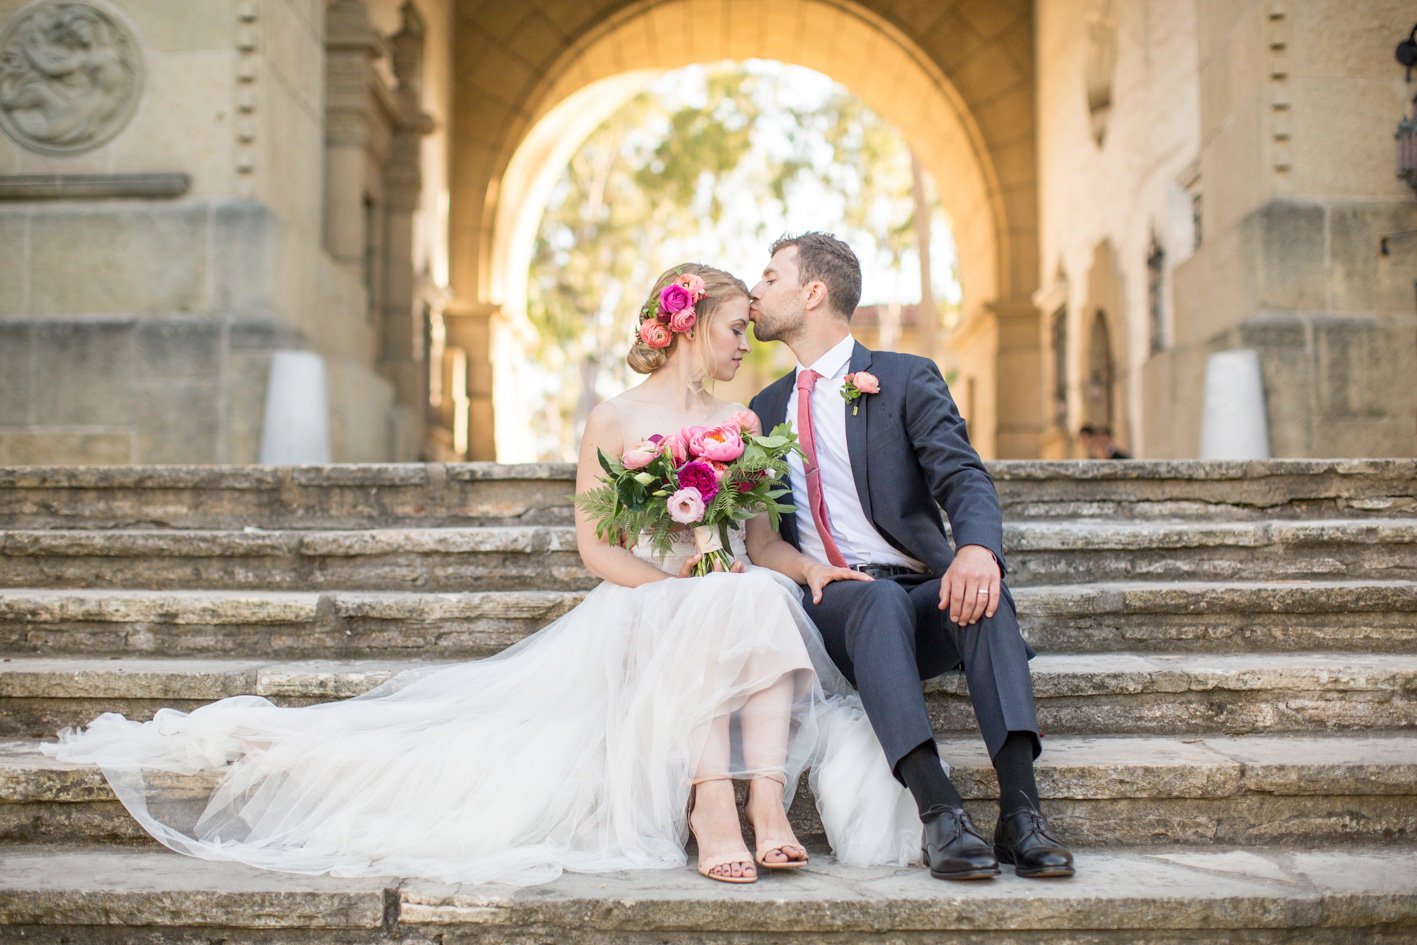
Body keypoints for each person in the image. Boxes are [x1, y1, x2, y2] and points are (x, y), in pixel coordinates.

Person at [42, 263, 915, 888]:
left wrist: (813, 568)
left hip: (727, 591)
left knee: (754, 595)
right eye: (733, 329)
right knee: (716, 606)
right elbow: (597, 551)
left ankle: (764, 806)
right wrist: (674, 592)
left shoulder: (738, 418)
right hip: (645, 601)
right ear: (690, 324)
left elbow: (760, 543)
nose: (742, 346)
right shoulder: (614, 418)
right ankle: (713, 809)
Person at [747, 233, 1076, 880]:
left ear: (812, 292)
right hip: (834, 606)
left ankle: (1021, 813)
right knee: (871, 598)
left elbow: (961, 475)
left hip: (914, 593)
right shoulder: (760, 413)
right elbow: (765, 538)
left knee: (981, 597)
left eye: (767, 276)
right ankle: (939, 811)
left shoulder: (902, 377)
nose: (753, 290)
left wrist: (977, 549)